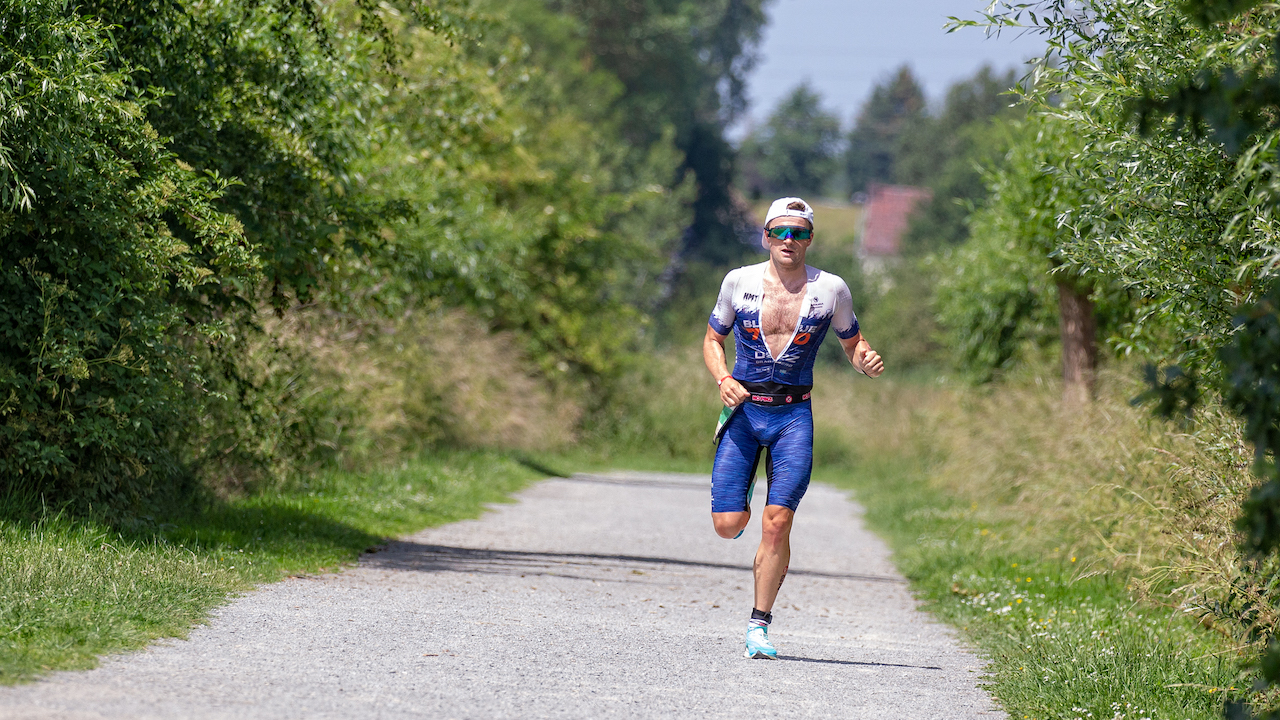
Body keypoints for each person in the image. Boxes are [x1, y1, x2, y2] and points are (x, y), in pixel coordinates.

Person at [702, 197, 884, 660]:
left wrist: (865, 360)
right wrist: (724, 379)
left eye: (799, 233)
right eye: (780, 232)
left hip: (793, 417)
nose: (789, 241)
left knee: (777, 523)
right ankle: (739, 511)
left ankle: (758, 625)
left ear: (810, 239)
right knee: (727, 526)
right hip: (744, 413)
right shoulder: (738, 281)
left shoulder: (832, 289)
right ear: (766, 236)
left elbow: (852, 342)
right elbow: (712, 340)